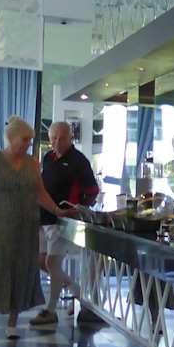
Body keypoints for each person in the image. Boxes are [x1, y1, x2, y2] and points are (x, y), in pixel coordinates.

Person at [0, 117, 70, 345]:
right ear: (12, 138)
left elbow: (40, 193)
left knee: (22, 269)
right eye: (25, 139)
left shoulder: (32, 163)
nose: (28, 144)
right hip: (0, 224)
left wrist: (57, 210)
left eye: (30, 140)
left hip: (27, 225)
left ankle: (12, 323)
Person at [30, 121, 99, 326]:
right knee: (40, 261)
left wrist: (78, 208)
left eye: (61, 138)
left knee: (52, 263)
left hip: (63, 221)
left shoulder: (79, 161)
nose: (57, 142)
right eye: (53, 138)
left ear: (70, 138)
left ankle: (50, 310)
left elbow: (92, 191)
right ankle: (77, 291)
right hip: (44, 217)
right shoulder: (48, 158)